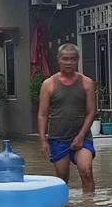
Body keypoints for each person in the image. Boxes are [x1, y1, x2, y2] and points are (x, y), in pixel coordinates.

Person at [37, 43, 97, 193]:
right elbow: (42, 114)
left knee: (86, 172)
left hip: (82, 137)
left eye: (73, 59)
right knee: (62, 177)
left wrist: (81, 136)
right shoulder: (48, 84)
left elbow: (91, 111)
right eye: (65, 59)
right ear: (58, 60)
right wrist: (43, 140)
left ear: (77, 60)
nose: (69, 62)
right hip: (58, 138)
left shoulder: (87, 83)